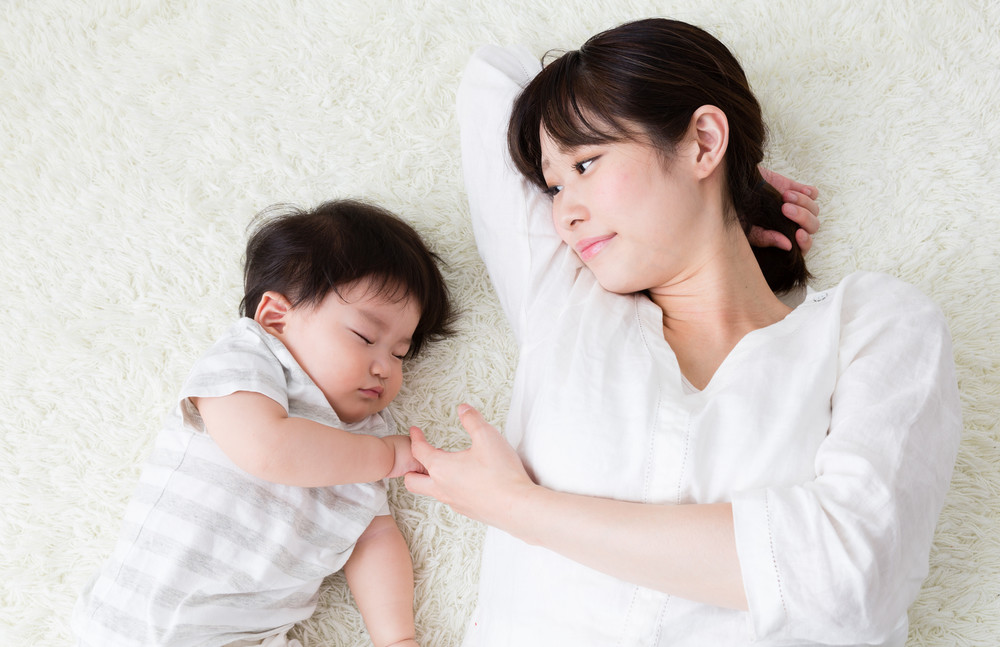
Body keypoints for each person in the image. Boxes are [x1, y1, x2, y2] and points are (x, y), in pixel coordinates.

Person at [404, 18, 961, 646]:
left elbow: (851, 578)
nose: (564, 211)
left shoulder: (875, 326)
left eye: (587, 164)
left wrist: (516, 509)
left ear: (703, 140)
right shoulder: (564, 300)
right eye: (553, 185)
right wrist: (731, 191)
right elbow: (491, 78)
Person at [73, 200, 453, 647]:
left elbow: (373, 540)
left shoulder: (366, 437)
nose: (384, 368)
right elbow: (267, 448)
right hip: (143, 621)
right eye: (366, 337)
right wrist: (388, 456)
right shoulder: (252, 359)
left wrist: (396, 637)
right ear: (276, 318)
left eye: (399, 353)